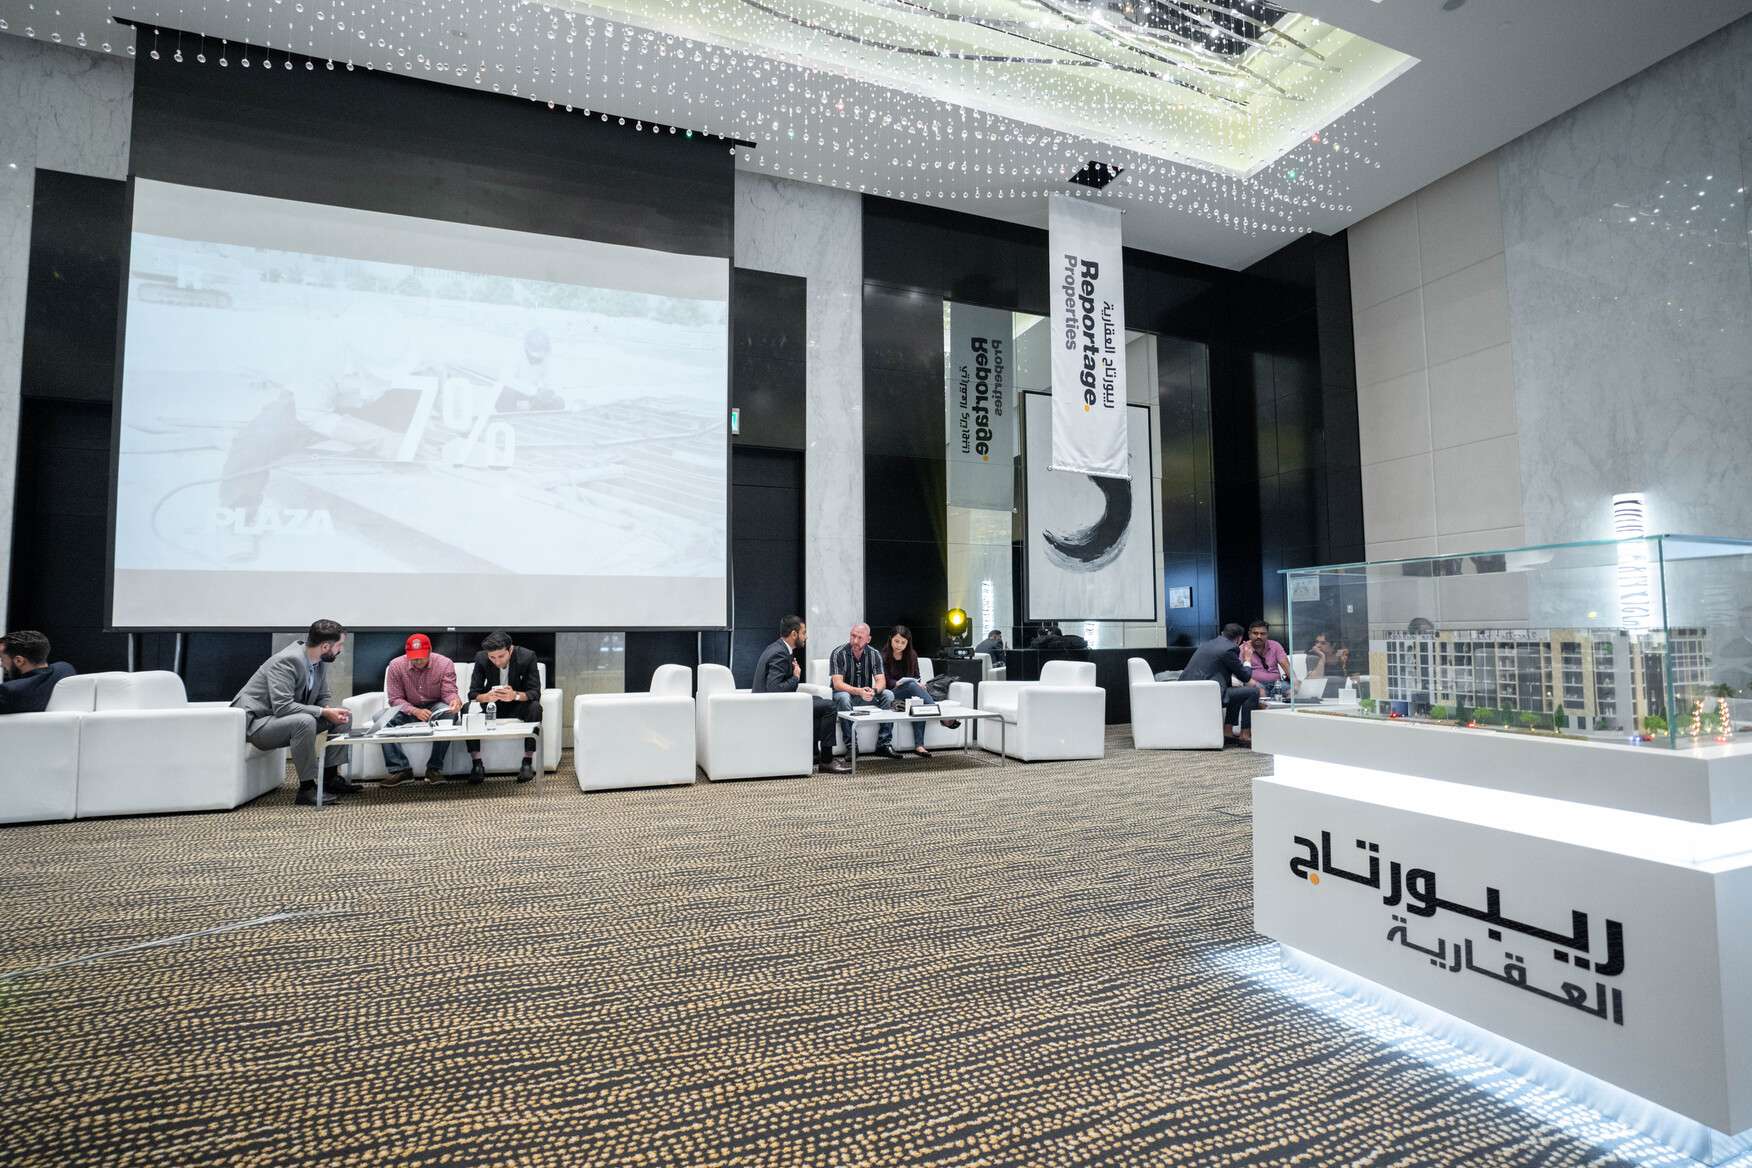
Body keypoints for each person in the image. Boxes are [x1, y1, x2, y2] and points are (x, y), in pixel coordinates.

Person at [232, 619, 353, 806]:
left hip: (280, 719)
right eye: (339, 645)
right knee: (304, 721)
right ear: (325, 646)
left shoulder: (319, 661)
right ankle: (307, 788)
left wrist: (329, 710)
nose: (341, 649)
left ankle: (329, 779)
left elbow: (322, 696)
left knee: (343, 716)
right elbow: (282, 707)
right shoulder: (287, 661)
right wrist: (322, 712)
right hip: (257, 724)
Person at [752, 614, 848, 774]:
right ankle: (826, 760)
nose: (806, 637)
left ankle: (814, 753)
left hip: (770, 703)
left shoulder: (778, 648)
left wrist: (792, 675)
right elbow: (775, 689)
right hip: (771, 707)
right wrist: (796, 677)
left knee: (818, 700)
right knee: (829, 706)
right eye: (804, 633)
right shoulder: (779, 653)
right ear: (794, 634)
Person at [379, 633, 462, 786]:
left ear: (430, 651)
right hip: (408, 707)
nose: (417, 661)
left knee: (449, 713)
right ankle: (400, 769)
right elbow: (395, 699)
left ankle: (434, 769)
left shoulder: (445, 663)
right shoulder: (396, 665)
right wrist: (414, 711)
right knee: (381, 719)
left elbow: (448, 692)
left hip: (435, 705)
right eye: (413, 657)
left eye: (421, 657)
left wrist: (454, 701)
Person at [465, 630, 542, 784]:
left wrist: (515, 695)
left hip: (517, 705)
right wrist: (486, 697)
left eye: (501, 656)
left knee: (535, 708)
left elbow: (535, 692)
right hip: (491, 706)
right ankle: (477, 763)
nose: (497, 662)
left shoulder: (527, 657)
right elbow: (473, 694)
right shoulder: (481, 658)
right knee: (467, 708)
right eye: (492, 657)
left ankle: (527, 762)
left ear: (510, 650)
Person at [881, 624, 960, 758]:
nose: (899, 645)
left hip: (910, 691)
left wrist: (919, 684)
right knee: (912, 686)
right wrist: (897, 683)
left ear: (908, 642)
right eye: (896, 641)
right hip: (891, 693)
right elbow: (884, 680)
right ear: (890, 640)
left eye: (903, 642)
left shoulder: (912, 655)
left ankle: (919, 745)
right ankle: (942, 717)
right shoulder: (883, 656)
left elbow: (917, 676)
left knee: (919, 702)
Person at [1179, 622, 1264, 747]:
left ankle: (1228, 732)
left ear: (1222, 633)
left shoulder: (1208, 644)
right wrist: (1247, 659)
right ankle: (1245, 735)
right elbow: (1245, 676)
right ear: (1239, 638)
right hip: (1206, 695)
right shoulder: (1229, 649)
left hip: (1186, 691)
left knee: (1237, 691)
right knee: (1253, 692)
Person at [830, 622, 901, 760]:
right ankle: (852, 746)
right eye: (853, 636)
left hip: (864, 696)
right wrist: (859, 691)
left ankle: (884, 744)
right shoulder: (838, 653)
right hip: (843, 696)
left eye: (860, 637)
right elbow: (837, 684)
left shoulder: (874, 654)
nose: (855, 641)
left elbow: (881, 682)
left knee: (888, 694)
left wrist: (873, 691)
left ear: (868, 639)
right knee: (844, 697)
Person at [0, 630, 76, 715]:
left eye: (2, 659)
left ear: (19, 661)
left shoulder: (8, 691)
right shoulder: (65, 669)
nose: (1, 665)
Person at [1240, 620, 1291, 700]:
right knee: (1256, 691)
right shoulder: (1242, 648)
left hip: (1277, 684)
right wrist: (1254, 684)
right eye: (1255, 633)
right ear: (1249, 634)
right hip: (1256, 684)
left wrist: (1295, 682)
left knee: (1289, 689)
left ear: (1267, 635)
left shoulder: (1275, 645)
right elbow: (1240, 673)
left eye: (1262, 634)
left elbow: (1286, 666)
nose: (1259, 636)